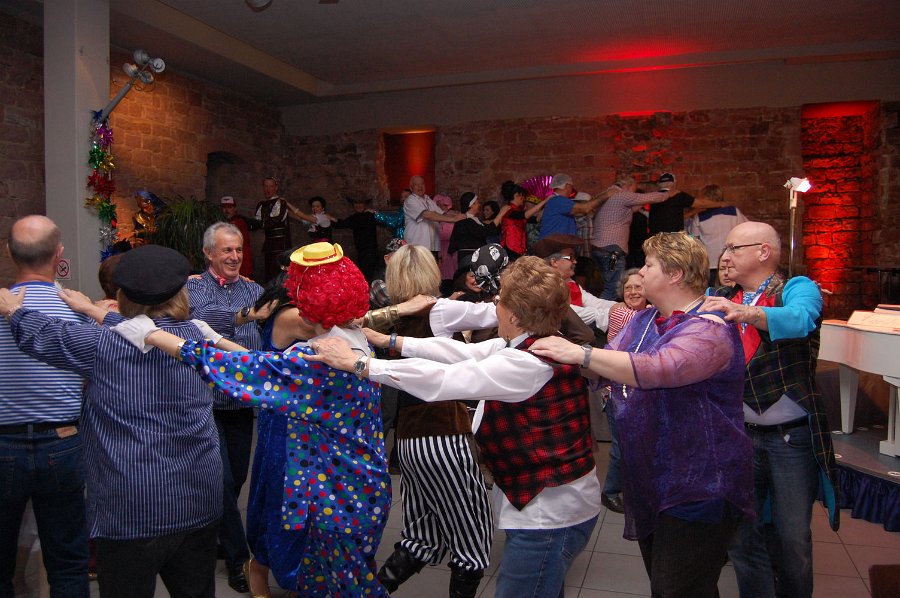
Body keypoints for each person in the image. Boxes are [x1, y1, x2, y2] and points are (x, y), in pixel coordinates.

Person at [309, 256, 603, 598]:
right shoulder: (532, 342)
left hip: (550, 516)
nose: (494, 306)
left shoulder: (524, 363)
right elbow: (460, 352)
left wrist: (359, 363)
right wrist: (390, 342)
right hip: (557, 508)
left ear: (513, 315)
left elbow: (442, 379)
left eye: (499, 301)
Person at [117, 242, 392, 597]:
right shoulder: (351, 338)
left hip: (337, 497)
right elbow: (267, 364)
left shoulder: (319, 358)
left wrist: (153, 335)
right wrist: (216, 337)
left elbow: (242, 370)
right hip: (363, 486)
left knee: (346, 588)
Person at [530, 232, 754, 598]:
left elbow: (660, 367)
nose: (641, 272)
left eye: (649, 265)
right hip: (654, 476)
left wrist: (581, 354)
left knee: (677, 588)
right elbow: (610, 365)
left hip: (699, 482)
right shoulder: (645, 319)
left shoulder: (709, 328)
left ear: (675, 274)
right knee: (674, 585)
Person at [1, 244, 224, 598]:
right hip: (198, 498)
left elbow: (45, 336)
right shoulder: (197, 339)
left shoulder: (101, 345)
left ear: (121, 296)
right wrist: (95, 311)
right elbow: (147, 334)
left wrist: (14, 310)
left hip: (131, 508)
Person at [700, 221, 840, 598]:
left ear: (763, 251)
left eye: (734, 248)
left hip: (790, 440)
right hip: (740, 436)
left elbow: (800, 319)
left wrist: (746, 313)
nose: (725, 256)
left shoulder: (797, 288)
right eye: (725, 249)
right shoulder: (719, 295)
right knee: (742, 536)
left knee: (793, 538)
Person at [364, 244, 492, 598]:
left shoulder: (391, 316)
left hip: (408, 439)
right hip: (443, 434)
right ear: (431, 273)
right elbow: (492, 315)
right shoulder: (440, 309)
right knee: (472, 542)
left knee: (421, 538)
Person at [0, 215, 90, 598]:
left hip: (3, 442)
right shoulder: (77, 309)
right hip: (63, 440)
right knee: (68, 563)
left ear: (9, 252)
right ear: (59, 254)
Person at [186, 222, 269, 593]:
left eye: (238, 250)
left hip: (242, 403)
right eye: (226, 250)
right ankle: (239, 560)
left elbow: (267, 333)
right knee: (220, 480)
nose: (234, 257)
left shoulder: (254, 289)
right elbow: (205, 320)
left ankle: (217, 534)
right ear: (209, 253)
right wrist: (248, 315)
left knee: (236, 477)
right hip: (205, 402)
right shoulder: (193, 288)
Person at [591, 176, 679, 300]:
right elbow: (649, 197)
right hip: (612, 250)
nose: (634, 192)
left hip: (600, 249)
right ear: (628, 186)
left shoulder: (609, 197)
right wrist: (667, 193)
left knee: (608, 285)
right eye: (634, 189)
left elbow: (632, 208)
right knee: (613, 289)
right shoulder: (622, 195)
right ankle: (601, 312)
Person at [684, 184, 748, 285]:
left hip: (710, 260)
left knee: (710, 289)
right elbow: (746, 229)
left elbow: (694, 238)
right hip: (730, 258)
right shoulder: (734, 211)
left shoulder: (699, 216)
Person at [402, 175, 464, 257]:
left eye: (422, 184)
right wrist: (454, 219)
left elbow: (442, 213)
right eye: (417, 184)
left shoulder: (427, 199)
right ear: (411, 187)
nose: (420, 187)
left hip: (432, 246)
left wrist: (464, 215)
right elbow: (427, 214)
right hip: (417, 245)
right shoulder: (410, 200)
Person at [537, 173, 606, 240]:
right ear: (567, 186)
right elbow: (585, 208)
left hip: (556, 244)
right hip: (553, 244)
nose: (571, 189)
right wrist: (607, 194)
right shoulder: (558, 200)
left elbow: (581, 212)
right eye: (571, 186)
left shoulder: (555, 201)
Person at [332, 197, 383, 282]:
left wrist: (376, 213)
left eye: (360, 203)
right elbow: (342, 224)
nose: (358, 205)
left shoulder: (369, 215)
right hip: (362, 251)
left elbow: (344, 223)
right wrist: (330, 219)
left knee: (370, 274)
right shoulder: (356, 217)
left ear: (365, 205)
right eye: (356, 203)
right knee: (366, 274)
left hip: (370, 251)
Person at [448, 192, 504, 267]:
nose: (479, 205)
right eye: (477, 203)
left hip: (473, 256)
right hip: (469, 257)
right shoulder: (466, 220)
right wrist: (500, 214)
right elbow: (484, 231)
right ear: (472, 204)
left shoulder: (473, 220)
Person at [498, 181, 548, 260]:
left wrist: (546, 206)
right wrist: (544, 201)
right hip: (510, 246)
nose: (523, 199)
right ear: (517, 195)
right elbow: (524, 215)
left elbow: (536, 219)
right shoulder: (508, 209)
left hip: (519, 246)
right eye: (522, 196)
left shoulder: (518, 210)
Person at [254, 177, 291, 282]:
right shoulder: (261, 204)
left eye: (271, 186)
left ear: (276, 187)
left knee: (279, 272)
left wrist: (262, 223)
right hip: (269, 244)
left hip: (280, 245)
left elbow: (276, 220)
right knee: (269, 271)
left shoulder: (281, 203)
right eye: (266, 186)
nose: (268, 189)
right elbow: (257, 222)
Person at [220, 195, 255, 278]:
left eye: (229, 207)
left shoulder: (238, 222)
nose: (226, 210)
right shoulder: (225, 222)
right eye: (224, 207)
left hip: (241, 261)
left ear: (235, 209)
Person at [433, 194, 459, 284]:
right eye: (438, 205)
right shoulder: (435, 217)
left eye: (443, 205)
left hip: (449, 249)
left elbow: (447, 234)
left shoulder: (452, 216)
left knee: (449, 272)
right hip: (440, 249)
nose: (440, 207)